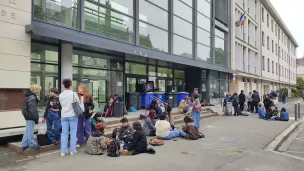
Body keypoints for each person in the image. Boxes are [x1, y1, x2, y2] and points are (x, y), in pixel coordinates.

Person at [59, 79, 84, 157]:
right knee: (73, 133)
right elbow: (79, 103)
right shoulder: (73, 94)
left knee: (64, 133)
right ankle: (72, 150)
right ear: (70, 86)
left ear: (64, 85)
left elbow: (62, 105)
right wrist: (82, 97)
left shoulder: (60, 95)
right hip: (72, 115)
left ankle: (63, 151)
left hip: (63, 115)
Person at [21, 84, 41, 150]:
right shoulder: (32, 97)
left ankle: (24, 144)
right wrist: (36, 117)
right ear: (35, 89)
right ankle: (32, 144)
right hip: (30, 116)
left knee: (27, 130)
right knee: (30, 130)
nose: (39, 90)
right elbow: (33, 110)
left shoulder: (27, 96)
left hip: (27, 115)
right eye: (39, 89)